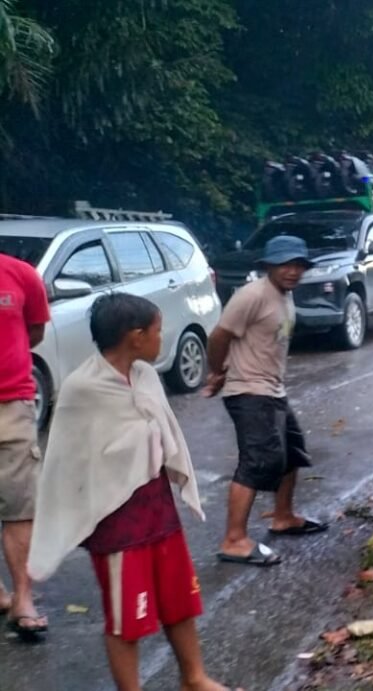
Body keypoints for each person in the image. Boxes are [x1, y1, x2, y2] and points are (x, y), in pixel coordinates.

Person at [29, 294, 232, 690]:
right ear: (135, 337)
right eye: (157, 330)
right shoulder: (82, 388)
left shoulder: (146, 377)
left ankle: (194, 677)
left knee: (178, 597)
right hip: (114, 517)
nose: (162, 336)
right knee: (126, 616)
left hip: (156, 506)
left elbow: (164, 432)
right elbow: (67, 464)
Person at [205, 235, 326, 567]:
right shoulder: (252, 295)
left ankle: (283, 517)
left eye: (298, 264)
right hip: (248, 391)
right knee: (258, 461)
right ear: (269, 265)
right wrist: (216, 371)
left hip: (272, 390)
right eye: (285, 264)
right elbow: (219, 336)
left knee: (291, 452)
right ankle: (234, 540)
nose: (292, 271)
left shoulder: (283, 295)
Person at [0, 249, 48, 640]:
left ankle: (23, 597)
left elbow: (35, 331)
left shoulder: (20, 275)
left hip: (11, 405)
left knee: (19, 506)